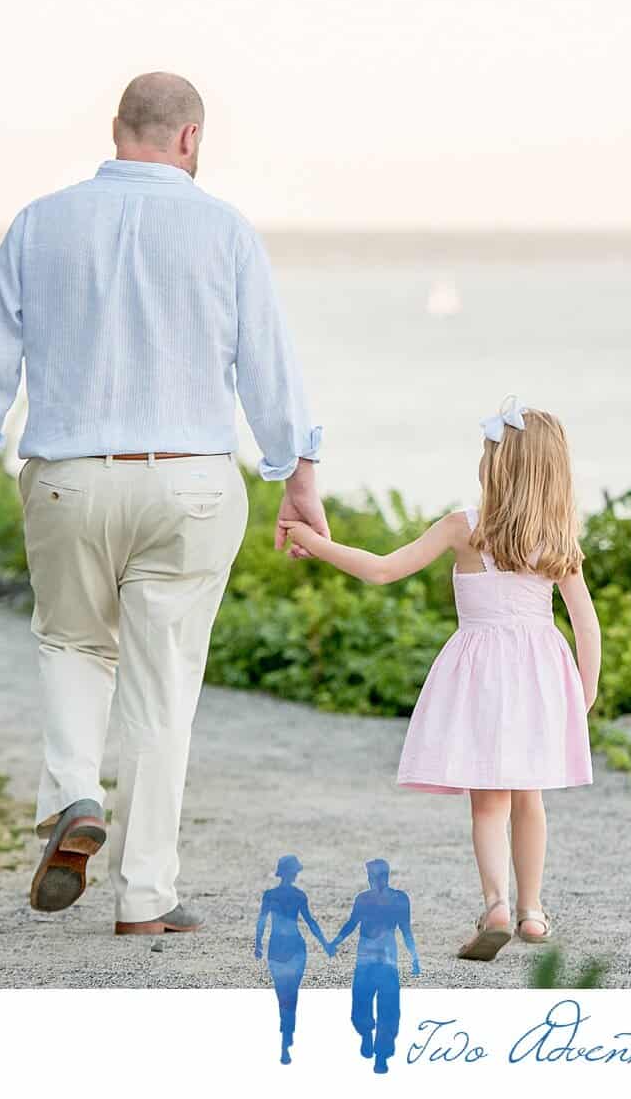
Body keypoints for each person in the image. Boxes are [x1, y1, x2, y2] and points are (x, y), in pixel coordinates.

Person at [0, 72, 329, 936]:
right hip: (188, 483)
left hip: (70, 477)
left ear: (117, 130)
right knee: (164, 683)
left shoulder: (40, 222)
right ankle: (145, 897)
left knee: (73, 642)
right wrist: (297, 481)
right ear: (190, 138)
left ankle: (75, 793)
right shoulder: (224, 231)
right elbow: (269, 368)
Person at [281, 398, 600, 961]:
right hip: (540, 676)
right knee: (531, 796)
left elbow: (383, 569)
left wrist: (319, 545)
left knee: (487, 801)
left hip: (481, 677)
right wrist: (585, 692)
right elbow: (585, 623)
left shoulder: (463, 528)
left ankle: (495, 903)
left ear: (495, 467)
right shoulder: (557, 540)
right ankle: (533, 912)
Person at [327, 860, 420, 1073]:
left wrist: (414, 957)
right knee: (376, 1007)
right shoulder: (387, 899)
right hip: (379, 961)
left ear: (379, 877)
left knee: (374, 1006)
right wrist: (414, 957)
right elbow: (353, 924)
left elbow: (404, 930)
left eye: (371, 876)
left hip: (374, 961)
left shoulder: (381, 899)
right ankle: (371, 1040)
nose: (370, 880)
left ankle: (379, 1054)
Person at [254, 855, 333, 1065]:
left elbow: (262, 921)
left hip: (278, 947)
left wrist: (258, 944)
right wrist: (326, 944)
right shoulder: (299, 896)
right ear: (293, 873)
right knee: (291, 993)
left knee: (282, 993)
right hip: (296, 947)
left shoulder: (270, 895)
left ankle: (285, 1031)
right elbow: (311, 922)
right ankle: (287, 1032)